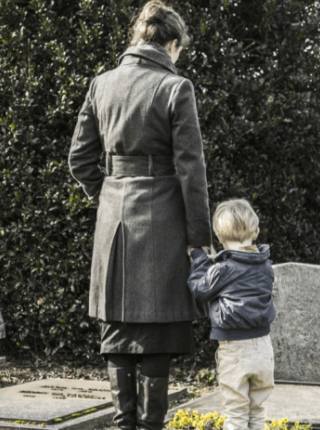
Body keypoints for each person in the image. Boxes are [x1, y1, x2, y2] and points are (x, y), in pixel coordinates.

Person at [68, 1, 212, 429]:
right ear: (170, 43)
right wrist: (200, 238)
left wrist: (108, 191)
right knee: (157, 334)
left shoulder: (101, 84)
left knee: (117, 328)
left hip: (112, 220)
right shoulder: (175, 88)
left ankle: (122, 424)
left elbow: (79, 159)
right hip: (163, 218)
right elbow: (192, 171)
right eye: (179, 49)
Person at [187, 199, 276, 430]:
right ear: (255, 231)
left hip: (234, 349)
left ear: (219, 236)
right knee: (256, 411)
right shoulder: (266, 265)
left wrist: (199, 260)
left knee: (236, 413)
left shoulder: (223, 269)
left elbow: (200, 289)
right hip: (263, 347)